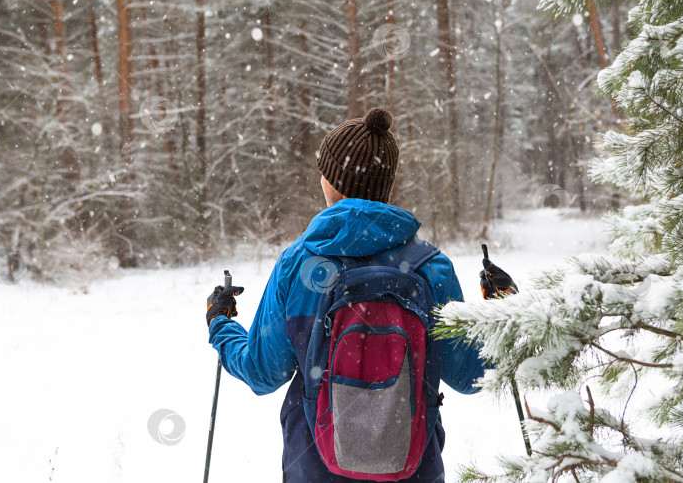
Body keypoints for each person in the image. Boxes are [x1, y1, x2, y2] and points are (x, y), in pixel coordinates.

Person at [206, 108, 486, 482]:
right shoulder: (431, 268)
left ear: (333, 182)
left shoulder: (300, 264)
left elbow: (262, 372)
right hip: (412, 468)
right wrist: (505, 306)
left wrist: (220, 324)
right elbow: (471, 375)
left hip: (315, 466)